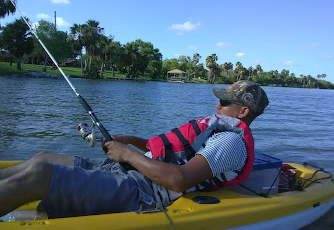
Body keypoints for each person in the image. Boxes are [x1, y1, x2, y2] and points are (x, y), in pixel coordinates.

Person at [0, 80, 269, 219]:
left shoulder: (230, 141)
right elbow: (170, 150)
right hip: (126, 172)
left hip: (140, 191)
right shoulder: (219, 132)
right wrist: (130, 141)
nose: (217, 106)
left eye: (223, 101)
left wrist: (128, 154)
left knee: (39, 172)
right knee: (42, 157)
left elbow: (179, 180)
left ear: (243, 111)